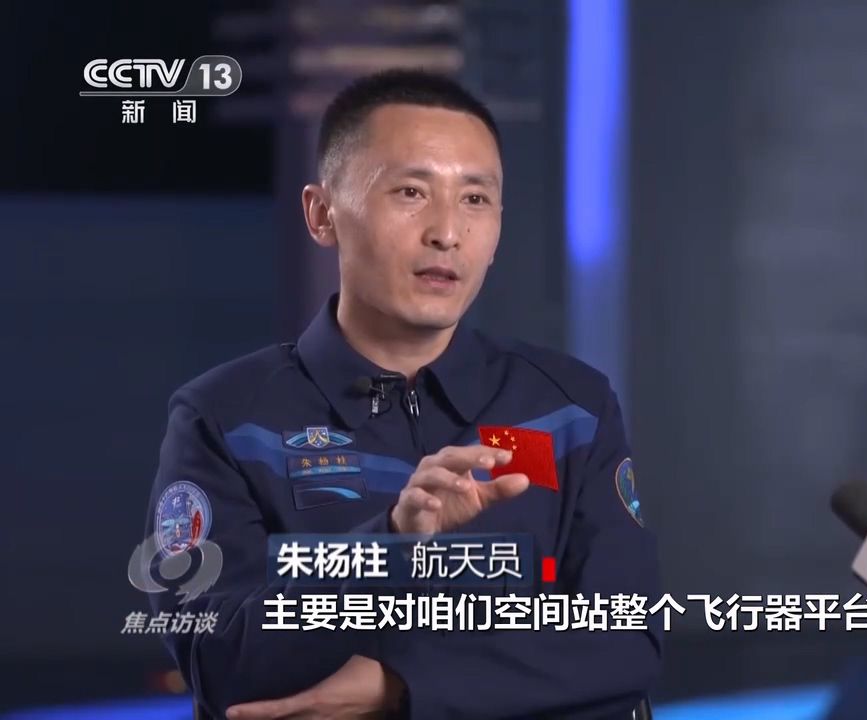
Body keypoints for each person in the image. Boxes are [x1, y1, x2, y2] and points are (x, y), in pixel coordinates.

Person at [143, 68, 661, 719]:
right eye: (411, 192)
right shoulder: (226, 418)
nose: (447, 231)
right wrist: (388, 544)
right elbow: (219, 660)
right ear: (322, 214)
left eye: (475, 199)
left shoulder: (569, 407)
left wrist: (402, 688)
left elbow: (628, 637)